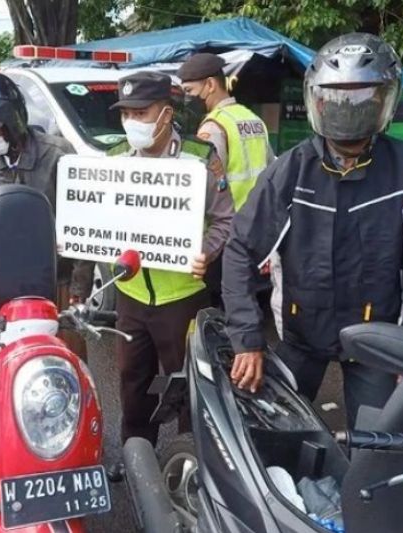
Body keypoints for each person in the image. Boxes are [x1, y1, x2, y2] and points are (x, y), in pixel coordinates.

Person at [223, 33, 403, 429]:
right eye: (337, 98)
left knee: (385, 445)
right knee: (273, 437)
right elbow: (240, 249)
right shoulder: (290, 171)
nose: (347, 110)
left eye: (361, 99)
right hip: (301, 336)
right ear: (318, 100)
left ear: (384, 102)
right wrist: (247, 339)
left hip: (376, 342)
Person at [106, 71, 235, 480]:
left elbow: (227, 219)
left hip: (183, 295)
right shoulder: (112, 160)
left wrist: (206, 251)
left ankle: (192, 464)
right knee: (132, 379)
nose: (132, 122)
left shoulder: (200, 158)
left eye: (140, 112)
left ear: (166, 113)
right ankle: (135, 457)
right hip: (131, 295)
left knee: (190, 385)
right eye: (125, 114)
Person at [0, 71, 93, 357]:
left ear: (11, 122)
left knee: (69, 356)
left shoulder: (59, 156)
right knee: (7, 360)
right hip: (7, 286)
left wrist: (80, 289)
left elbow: (84, 225)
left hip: (59, 281)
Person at [178, 53, 274, 305]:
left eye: (189, 90)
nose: (187, 98)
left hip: (226, 237)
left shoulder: (212, 128)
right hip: (257, 229)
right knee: (248, 303)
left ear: (210, 85)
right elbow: (271, 169)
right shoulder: (253, 119)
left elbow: (201, 186)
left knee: (220, 309)